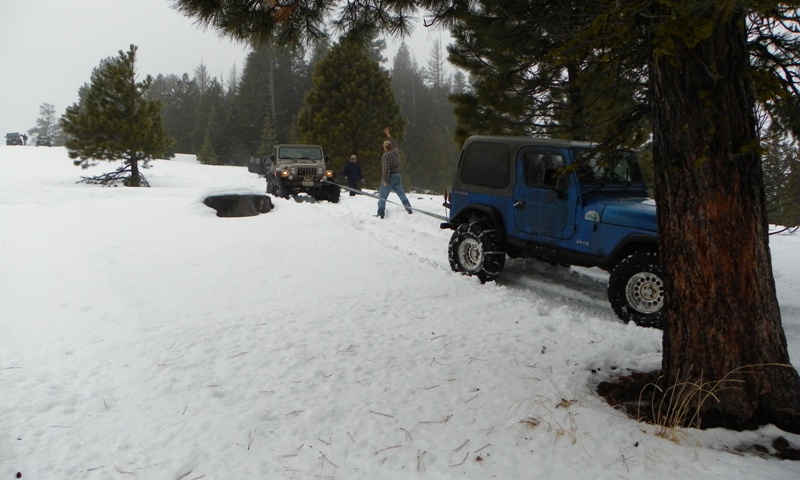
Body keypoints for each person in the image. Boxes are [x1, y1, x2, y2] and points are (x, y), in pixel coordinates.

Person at [376, 127, 412, 218]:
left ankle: (380, 213)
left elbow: (385, 169)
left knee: (383, 196)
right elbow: (394, 143)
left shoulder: (386, 156)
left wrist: (385, 180)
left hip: (389, 177)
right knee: (401, 193)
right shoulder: (396, 151)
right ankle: (408, 208)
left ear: (385, 147)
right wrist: (388, 135)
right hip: (397, 176)